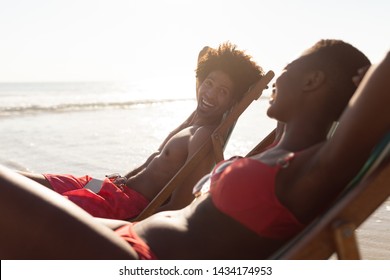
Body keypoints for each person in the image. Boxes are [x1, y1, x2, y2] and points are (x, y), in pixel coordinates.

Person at [2, 39, 386, 260]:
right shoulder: (278, 150)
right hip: (128, 233)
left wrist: (371, 88)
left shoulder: (310, 167)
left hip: (144, 261)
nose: (274, 81)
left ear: (314, 79)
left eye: (287, 68)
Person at [18, 42, 263, 220]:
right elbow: (204, 57)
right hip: (107, 184)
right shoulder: (196, 116)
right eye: (208, 83)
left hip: (120, 204)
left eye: (223, 91)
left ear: (233, 100)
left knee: (31, 210)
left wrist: (133, 225)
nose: (209, 93)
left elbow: (179, 207)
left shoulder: (203, 137)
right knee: (19, 183)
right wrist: (232, 81)